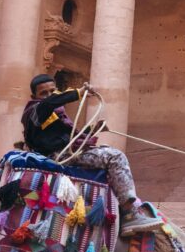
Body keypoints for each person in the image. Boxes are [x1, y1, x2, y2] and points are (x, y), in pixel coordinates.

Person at [22, 74, 160, 237]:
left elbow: (72, 138)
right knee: (115, 157)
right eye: (44, 93)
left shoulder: (56, 116)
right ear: (34, 97)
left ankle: (122, 209)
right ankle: (130, 213)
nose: (49, 95)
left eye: (53, 91)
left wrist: (93, 130)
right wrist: (78, 93)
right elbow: (49, 104)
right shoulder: (34, 111)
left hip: (67, 153)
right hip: (56, 157)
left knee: (107, 151)